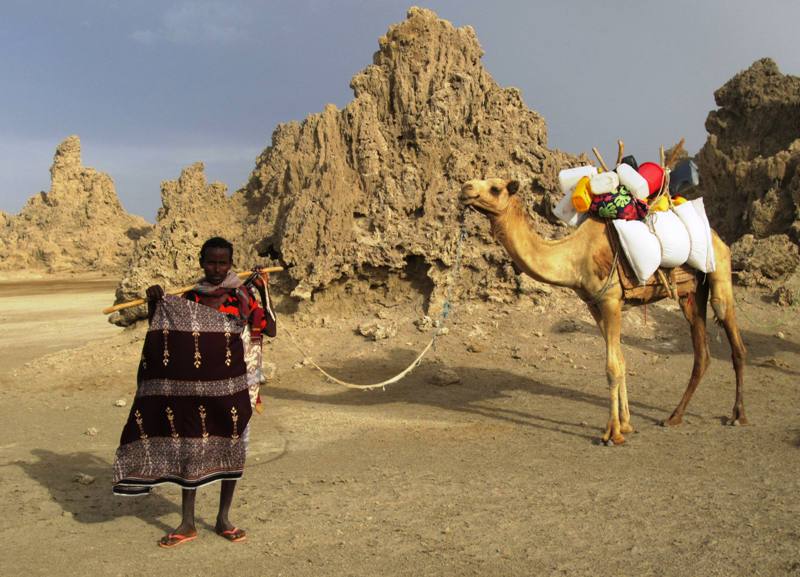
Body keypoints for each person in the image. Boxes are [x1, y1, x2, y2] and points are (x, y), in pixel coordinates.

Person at [112, 236, 276, 548]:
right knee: (191, 449)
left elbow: (270, 329)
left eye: (223, 262)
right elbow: (167, 335)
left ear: (231, 263)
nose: (217, 268)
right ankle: (187, 522)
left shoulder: (243, 296)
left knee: (232, 446)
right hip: (194, 392)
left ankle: (223, 518)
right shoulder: (189, 298)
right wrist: (154, 303)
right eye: (211, 262)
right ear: (201, 262)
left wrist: (262, 291)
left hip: (237, 386)